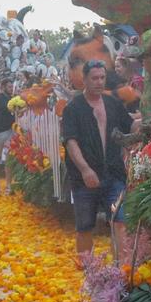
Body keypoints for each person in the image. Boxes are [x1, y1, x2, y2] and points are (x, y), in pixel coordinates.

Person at [62, 60, 133, 261]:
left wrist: (150, 118)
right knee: (84, 227)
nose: (99, 82)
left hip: (113, 173)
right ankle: (88, 272)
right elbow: (70, 142)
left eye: (102, 78)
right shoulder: (73, 108)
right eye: (94, 78)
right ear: (84, 80)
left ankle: (122, 272)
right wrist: (85, 170)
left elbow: (130, 126)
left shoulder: (113, 104)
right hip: (83, 179)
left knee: (119, 221)